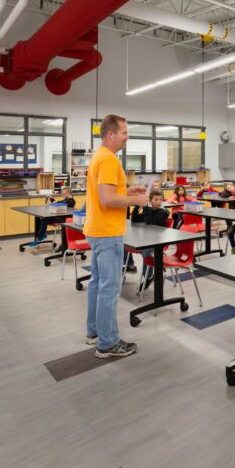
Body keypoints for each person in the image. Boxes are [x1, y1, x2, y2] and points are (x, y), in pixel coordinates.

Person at [84, 114, 149, 359]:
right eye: (124, 132)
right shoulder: (109, 160)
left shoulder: (99, 156)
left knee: (97, 284)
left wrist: (128, 190)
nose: (127, 136)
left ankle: (93, 333)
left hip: (96, 229)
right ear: (110, 134)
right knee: (110, 288)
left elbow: (108, 192)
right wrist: (137, 200)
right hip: (108, 232)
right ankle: (108, 343)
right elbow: (107, 199)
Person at [132, 189, 171, 291]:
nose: (158, 202)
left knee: (145, 251)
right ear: (150, 200)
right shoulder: (149, 210)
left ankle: (148, 276)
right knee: (131, 246)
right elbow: (135, 219)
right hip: (148, 240)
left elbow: (151, 221)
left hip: (159, 242)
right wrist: (138, 205)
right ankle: (131, 267)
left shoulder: (162, 212)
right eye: (156, 199)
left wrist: (146, 209)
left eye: (160, 199)